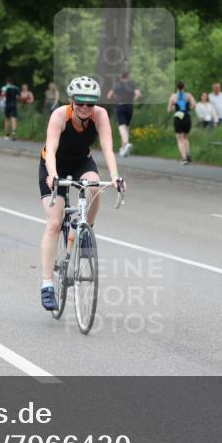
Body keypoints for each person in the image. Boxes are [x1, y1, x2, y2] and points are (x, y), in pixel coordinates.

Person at [38, 76, 125, 311]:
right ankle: (47, 285)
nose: (85, 107)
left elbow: (107, 147)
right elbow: (52, 149)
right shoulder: (59, 115)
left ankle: (86, 230)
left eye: (90, 103)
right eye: (80, 103)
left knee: (95, 186)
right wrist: (53, 175)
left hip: (81, 163)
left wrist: (115, 176)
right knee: (55, 224)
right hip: (53, 165)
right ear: (71, 100)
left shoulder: (99, 115)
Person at [106, 71, 142, 157]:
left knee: (122, 127)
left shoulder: (117, 85)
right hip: (130, 107)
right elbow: (138, 94)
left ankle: (126, 144)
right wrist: (133, 99)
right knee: (127, 127)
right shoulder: (132, 84)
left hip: (120, 106)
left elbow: (109, 96)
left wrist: (115, 97)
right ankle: (123, 150)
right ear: (128, 77)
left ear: (121, 77)